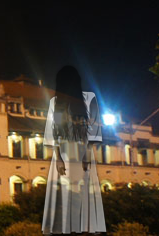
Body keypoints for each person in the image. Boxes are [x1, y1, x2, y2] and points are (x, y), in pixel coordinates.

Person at [41, 66, 106, 235]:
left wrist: (87, 154)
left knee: (83, 192)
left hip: (80, 153)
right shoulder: (55, 103)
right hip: (64, 153)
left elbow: (94, 129)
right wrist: (58, 159)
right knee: (65, 194)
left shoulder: (89, 99)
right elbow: (53, 132)